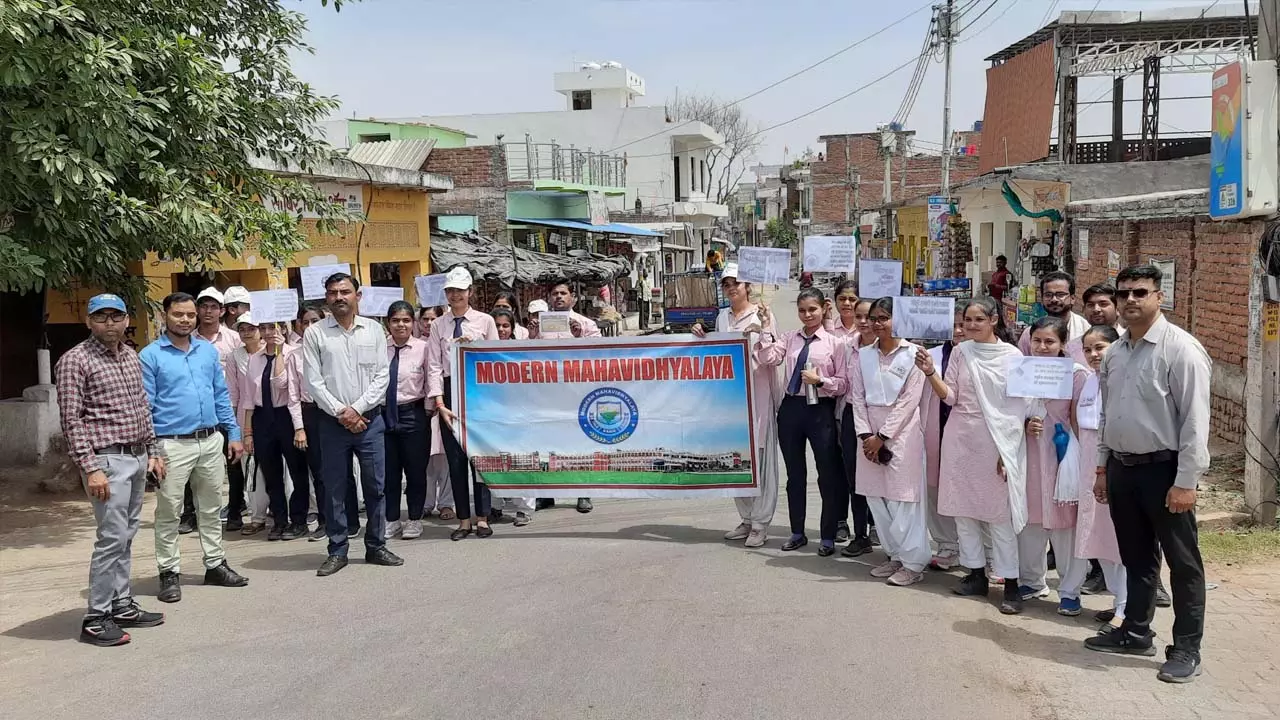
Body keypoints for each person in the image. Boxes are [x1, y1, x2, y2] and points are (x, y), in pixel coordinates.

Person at [1085, 264, 1211, 684]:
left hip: (1166, 471)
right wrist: (1103, 468)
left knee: (1183, 563)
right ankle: (1136, 631)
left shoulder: (1181, 350)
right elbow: (1108, 416)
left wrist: (1186, 482)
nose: (1131, 301)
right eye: (1124, 294)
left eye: (1141, 292)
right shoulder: (1116, 352)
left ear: (1160, 296)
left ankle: (1187, 649)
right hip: (1123, 467)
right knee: (1137, 558)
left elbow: (1195, 423)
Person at [56, 293, 167, 646]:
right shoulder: (76, 360)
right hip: (106, 461)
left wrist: (153, 451)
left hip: (135, 458)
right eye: (101, 317)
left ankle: (122, 604)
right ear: (89, 321)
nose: (109, 323)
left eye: (115, 316)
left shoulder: (131, 356)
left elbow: (142, 407)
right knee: (111, 539)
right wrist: (90, 469)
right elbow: (72, 421)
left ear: (125, 320)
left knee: (126, 534)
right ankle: (96, 616)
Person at [916, 297, 1029, 614]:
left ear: (994, 320)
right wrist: (929, 373)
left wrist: (1007, 449)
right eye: (968, 320)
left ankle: (1010, 584)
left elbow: (1018, 406)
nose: (971, 325)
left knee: (999, 516)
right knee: (963, 512)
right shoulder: (962, 352)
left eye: (979, 319)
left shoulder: (1013, 356)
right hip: (960, 438)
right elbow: (950, 396)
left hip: (996, 440)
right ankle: (975, 574)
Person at [140, 292, 249, 604]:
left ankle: (215, 564)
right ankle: (169, 572)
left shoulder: (205, 352)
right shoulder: (150, 356)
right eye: (178, 314)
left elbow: (220, 395)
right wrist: (153, 452)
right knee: (169, 512)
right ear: (165, 316)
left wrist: (234, 433)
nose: (185, 319)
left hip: (211, 440)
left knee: (212, 507)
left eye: (190, 315)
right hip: (171, 444)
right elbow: (145, 407)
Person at [302, 272, 404, 576]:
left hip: (370, 422)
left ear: (357, 295)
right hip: (331, 423)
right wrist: (342, 413)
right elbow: (313, 381)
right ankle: (337, 550)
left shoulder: (374, 330)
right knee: (334, 488)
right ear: (326, 298)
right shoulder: (315, 334)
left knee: (376, 486)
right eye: (332, 292)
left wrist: (357, 410)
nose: (339, 297)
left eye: (345, 291)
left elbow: (381, 377)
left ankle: (376, 545)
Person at [692, 263, 782, 548]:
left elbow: (773, 357)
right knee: (737, 459)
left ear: (748, 287)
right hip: (732, 401)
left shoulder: (763, 314)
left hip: (759, 397)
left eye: (736, 283)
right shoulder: (721, 318)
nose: (731, 288)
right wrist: (698, 333)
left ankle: (761, 522)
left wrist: (764, 329)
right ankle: (746, 518)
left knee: (762, 463)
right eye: (726, 284)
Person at [756, 287, 848, 555]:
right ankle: (797, 532)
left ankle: (828, 535)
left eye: (813, 310)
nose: (807, 315)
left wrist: (821, 381)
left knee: (827, 474)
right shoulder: (789, 338)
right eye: (802, 310)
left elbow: (843, 383)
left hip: (821, 410)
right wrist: (764, 327)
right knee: (795, 475)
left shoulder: (834, 343)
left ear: (823, 309)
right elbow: (767, 358)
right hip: (792, 408)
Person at [846, 298, 931, 586]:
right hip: (868, 433)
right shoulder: (863, 355)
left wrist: (883, 437)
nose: (878, 323)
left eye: (884, 317)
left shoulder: (914, 354)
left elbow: (909, 402)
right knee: (876, 497)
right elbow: (857, 398)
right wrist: (866, 436)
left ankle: (913, 562)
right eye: (874, 318)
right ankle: (894, 554)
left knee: (902, 498)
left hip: (902, 434)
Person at [1017, 316, 1090, 614]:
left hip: (1063, 455)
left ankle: (1070, 590)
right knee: (1029, 520)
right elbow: (1010, 410)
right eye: (1037, 340)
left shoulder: (1076, 375)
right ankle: (1032, 581)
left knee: (1066, 524)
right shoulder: (1020, 371)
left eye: (1050, 342)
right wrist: (1024, 424)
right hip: (1029, 452)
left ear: (1062, 344)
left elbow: (1079, 419)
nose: (1043, 347)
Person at [426, 266, 500, 540]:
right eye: (450, 291)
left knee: (479, 458)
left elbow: (497, 360)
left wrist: (475, 347)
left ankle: (482, 517)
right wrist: (439, 401)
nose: (454, 295)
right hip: (449, 390)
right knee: (455, 460)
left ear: (470, 292)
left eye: (459, 290)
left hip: (477, 390)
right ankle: (463, 520)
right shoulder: (438, 325)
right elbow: (433, 365)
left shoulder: (485, 321)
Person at [1075, 324, 1128, 625]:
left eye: (1100, 348)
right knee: (1100, 540)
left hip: (1111, 468)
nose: (1094, 354)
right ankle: (1119, 602)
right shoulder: (1089, 382)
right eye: (1088, 349)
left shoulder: (1121, 382)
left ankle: (1127, 608)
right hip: (1088, 470)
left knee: (1120, 541)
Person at [240, 320, 310, 542]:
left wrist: (279, 351)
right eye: (264, 329)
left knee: (297, 471)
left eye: (273, 328)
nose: (268, 333)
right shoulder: (255, 358)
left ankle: (298, 520)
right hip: (262, 418)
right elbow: (249, 398)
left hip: (286, 416)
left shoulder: (292, 354)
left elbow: (281, 384)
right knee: (271, 474)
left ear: (283, 329)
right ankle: (279, 520)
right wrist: (248, 431)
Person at [536, 281, 599, 514]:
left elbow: (600, 355)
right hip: (548, 394)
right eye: (554, 294)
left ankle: (583, 492)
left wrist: (579, 337)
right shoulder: (541, 326)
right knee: (546, 444)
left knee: (579, 444)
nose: (559, 297)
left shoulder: (586, 324)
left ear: (572, 298)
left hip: (577, 394)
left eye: (563, 293)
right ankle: (546, 494)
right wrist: (532, 335)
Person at [382, 301, 432, 539]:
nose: (400, 325)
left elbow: (432, 380)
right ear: (388, 323)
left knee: (415, 471)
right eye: (395, 320)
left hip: (414, 414)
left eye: (405, 320)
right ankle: (391, 519)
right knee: (389, 472)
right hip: (384, 415)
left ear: (413, 323)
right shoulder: (379, 348)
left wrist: (429, 410)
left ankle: (414, 518)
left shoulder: (424, 348)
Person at [920, 308, 965, 570]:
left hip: (969, 433)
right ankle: (947, 544)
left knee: (971, 490)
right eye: (954, 325)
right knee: (935, 488)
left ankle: (985, 552)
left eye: (964, 324)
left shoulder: (985, 354)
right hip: (937, 427)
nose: (959, 330)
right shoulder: (933, 355)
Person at [415, 305, 455, 519]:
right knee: (426, 459)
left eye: (433, 319)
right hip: (421, 409)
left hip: (442, 404)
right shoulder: (415, 345)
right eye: (425, 319)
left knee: (445, 457)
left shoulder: (443, 344)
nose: (428, 323)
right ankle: (427, 502)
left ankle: (446, 503)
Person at [1017, 271, 1090, 363]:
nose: (1054, 299)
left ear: (1072, 299)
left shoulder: (1086, 330)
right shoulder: (1029, 334)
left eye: (1060, 295)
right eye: (1048, 295)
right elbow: (1022, 367)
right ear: (1042, 299)